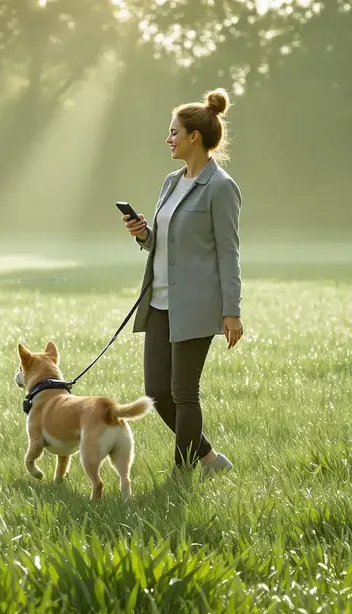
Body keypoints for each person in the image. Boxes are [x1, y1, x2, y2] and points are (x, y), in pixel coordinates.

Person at [122, 88, 243, 481]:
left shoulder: (221, 187)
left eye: (174, 132)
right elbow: (165, 242)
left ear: (194, 136)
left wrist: (232, 311)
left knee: (184, 393)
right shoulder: (170, 183)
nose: (168, 139)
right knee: (156, 392)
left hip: (196, 306)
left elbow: (229, 252)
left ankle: (182, 473)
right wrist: (143, 234)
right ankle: (208, 458)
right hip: (158, 302)